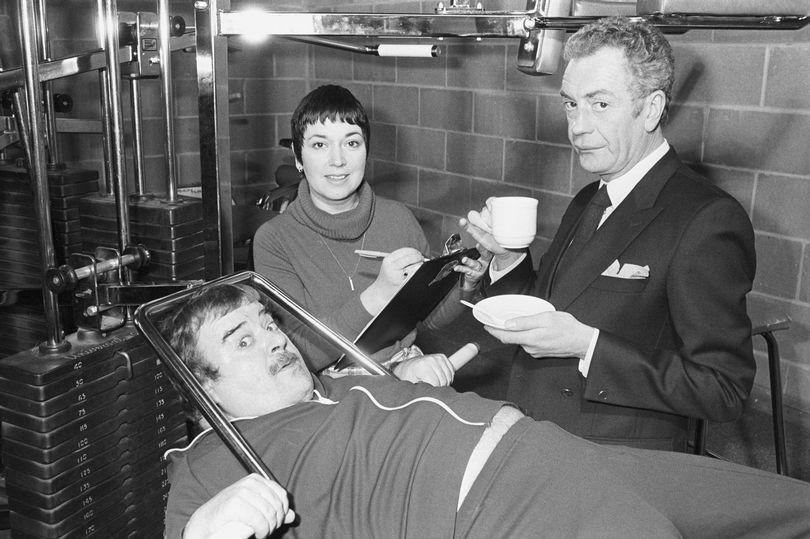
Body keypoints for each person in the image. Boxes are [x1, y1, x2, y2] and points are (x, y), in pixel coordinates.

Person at [162, 283, 810, 539]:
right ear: (207, 387)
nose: (274, 338)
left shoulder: (334, 381)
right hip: (504, 509)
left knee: (779, 503)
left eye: (267, 323)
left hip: (555, 450)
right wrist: (202, 536)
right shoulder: (208, 464)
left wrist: (402, 378)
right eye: (242, 340)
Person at [461, 16, 756, 452]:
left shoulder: (706, 219)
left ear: (651, 109)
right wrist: (506, 261)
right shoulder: (588, 198)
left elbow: (723, 387)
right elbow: (552, 311)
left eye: (599, 104)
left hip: (614, 464)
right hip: (536, 436)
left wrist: (589, 347)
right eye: (570, 104)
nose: (577, 127)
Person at [253, 84, 486, 385]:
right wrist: (378, 295)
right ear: (298, 157)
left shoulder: (397, 218)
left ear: (366, 151)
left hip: (408, 373)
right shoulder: (274, 240)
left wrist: (465, 285)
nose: (337, 161)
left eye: (351, 143)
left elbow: (430, 319)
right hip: (326, 389)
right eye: (320, 145)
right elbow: (301, 352)